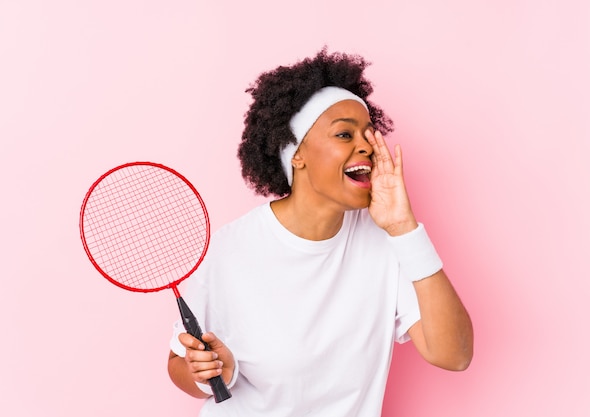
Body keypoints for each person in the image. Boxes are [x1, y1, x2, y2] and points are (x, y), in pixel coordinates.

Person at [167, 48, 473, 416]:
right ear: (296, 153)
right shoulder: (229, 249)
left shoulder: (387, 241)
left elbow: (453, 355)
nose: (366, 146)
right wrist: (210, 374)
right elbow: (178, 362)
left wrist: (405, 229)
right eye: (344, 134)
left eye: (369, 134)